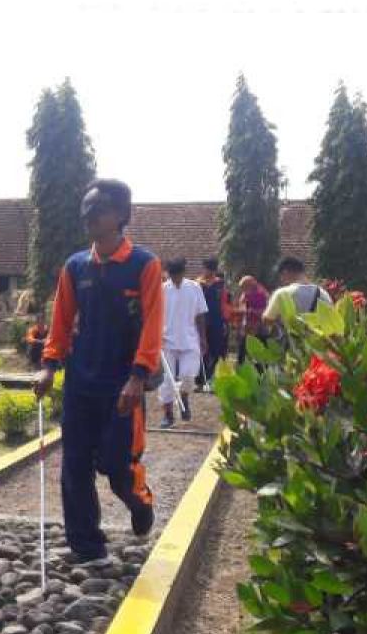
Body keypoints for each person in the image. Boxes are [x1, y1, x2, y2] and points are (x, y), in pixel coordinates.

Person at [33, 178, 162, 562]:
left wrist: (138, 376)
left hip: (124, 383)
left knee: (116, 465)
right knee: (75, 465)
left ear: (121, 215)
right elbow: (61, 320)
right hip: (81, 380)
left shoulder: (143, 264)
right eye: (85, 208)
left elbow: (154, 324)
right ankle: (87, 546)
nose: (88, 215)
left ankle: (140, 502)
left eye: (98, 208)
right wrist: (49, 366)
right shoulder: (75, 267)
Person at [159, 258, 208, 428]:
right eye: (172, 275)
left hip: (189, 338)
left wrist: (203, 338)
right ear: (168, 274)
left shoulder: (194, 287)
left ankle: (184, 396)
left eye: (178, 275)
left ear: (183, 273)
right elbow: (154, 315)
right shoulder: (162, 289)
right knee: (167, 380)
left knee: (189, 376)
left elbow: (201, 314)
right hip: (166, 340)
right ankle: (168, 414)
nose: (175, 278)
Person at [262, 257, 332, 331]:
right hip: (318, 341)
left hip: (293, 341)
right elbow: (331, 319)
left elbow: (267, 319)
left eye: (281, 276)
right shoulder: (323, 293)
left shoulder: (282, 293)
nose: (281, 280)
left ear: (285, 272)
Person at [195, 258, 231, 389]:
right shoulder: (197, 284)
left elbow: (224, 304)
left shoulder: (220, 285)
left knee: (217, 350)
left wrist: (225, 322)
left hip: (217, 321)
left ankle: (211, 378)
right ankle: (200, 380)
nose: (208, 272)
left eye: (211, 269)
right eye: (206, 269)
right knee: (201, 350)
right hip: (201, 321)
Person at [236, 275, 270, 365]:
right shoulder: (246, 293)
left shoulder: (262, 294)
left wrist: (251, 311)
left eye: (244, 288)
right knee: (242, 354)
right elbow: (242, 304)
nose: (243, 291)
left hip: (260, 328)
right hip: (247, 328)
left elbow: (265, 311)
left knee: (260, 355)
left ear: (250, 285)